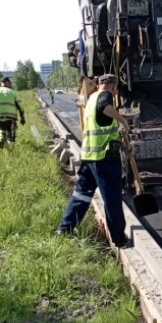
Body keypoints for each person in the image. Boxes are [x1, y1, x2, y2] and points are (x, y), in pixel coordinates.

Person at [56, 74, 130, 247]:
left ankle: (64, 229)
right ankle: (119, 239)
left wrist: (116, 133)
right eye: (115, 88)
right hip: (104, 159)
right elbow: (104, 107)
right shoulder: (106, 95)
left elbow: (100, 122)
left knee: (81, 194)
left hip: (88, 157)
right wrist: (123, 121)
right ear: (113, 86)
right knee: (112, 199)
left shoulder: (91, 99)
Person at [0, 77, 26, 149]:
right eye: (10, 83)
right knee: (11, 133)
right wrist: (22, 117)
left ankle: (1, 138)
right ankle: (10, 151)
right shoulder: (13, 93)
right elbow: (20, 106)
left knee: (1, 128)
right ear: (7, 83)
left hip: (0, 116)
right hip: (11, 116)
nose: (10, 85)